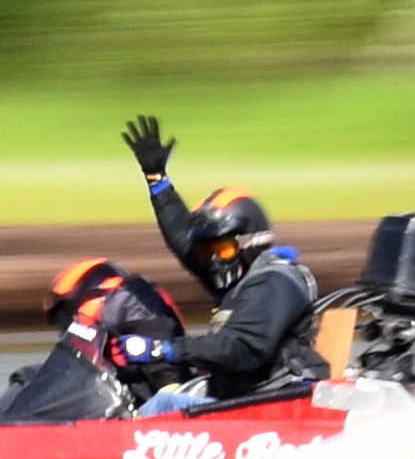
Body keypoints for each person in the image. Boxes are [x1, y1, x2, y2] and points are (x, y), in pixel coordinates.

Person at [118, 114, 324, 408]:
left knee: (161, 407)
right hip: (245, 399)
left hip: (282, 402)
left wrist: (164, 350)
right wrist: (157, 180)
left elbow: (243, 347)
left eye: (223, 249)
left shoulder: (276, 282)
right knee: (160, 402)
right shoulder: (239, 277)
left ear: (252, 242)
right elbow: (182, 239)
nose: (213, 260)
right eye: (207, 251)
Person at [0, 257, 188, 420]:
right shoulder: (109, 337)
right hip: (109, 404)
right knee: (30, 376)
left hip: (139, 416)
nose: (67, 328)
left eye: (67, 319)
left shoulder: (151, 327)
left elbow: (170, 388)